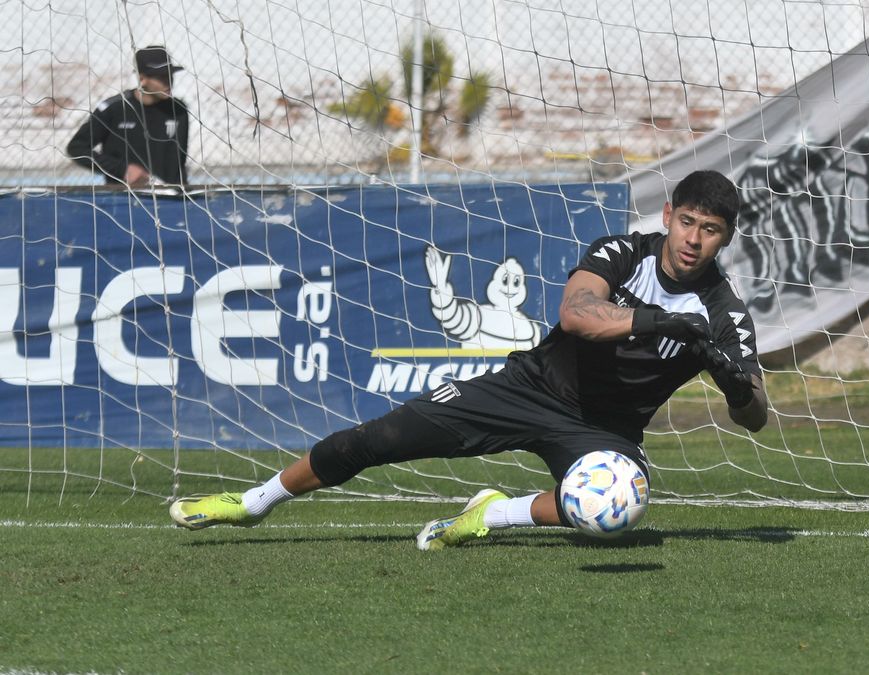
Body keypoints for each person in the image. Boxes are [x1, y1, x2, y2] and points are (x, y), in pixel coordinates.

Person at [170, 170, 769, 550]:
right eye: (687, 221)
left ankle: (494, 514)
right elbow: (576, 314)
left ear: (725, 237)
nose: (693, 239)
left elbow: (757, 414)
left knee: (619, 506)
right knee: (377, 439)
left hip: (605, 431)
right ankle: (252, 504)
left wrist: (737, 388)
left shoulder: (723, 311)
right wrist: (657, 320)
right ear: (667, 216)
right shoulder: (623, 252)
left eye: (710, 229)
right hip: (528, 388)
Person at [66, 46, 189, 187]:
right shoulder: (114, 109)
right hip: (123, 198)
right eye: (161, 77)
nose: (168, 82)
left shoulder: (179, 109)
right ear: (143, 79)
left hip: (169, 197)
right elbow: (77, 148)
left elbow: (180, 159)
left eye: (170, 75)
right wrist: (123, 169)